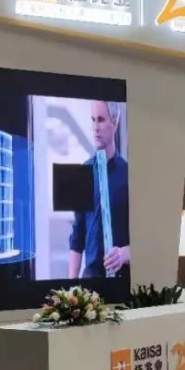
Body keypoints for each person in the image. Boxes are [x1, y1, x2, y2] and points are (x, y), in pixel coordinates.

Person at [68, 100, 130, 278]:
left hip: (123, 280)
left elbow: (147, 237)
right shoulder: (82, 172)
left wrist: (125, 253)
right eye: (93, 119)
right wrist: (71, 286)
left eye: (101, 120)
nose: (95, 127)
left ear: (114, 123)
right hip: (91, 280)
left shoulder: (129, 174)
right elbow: (77, 236)